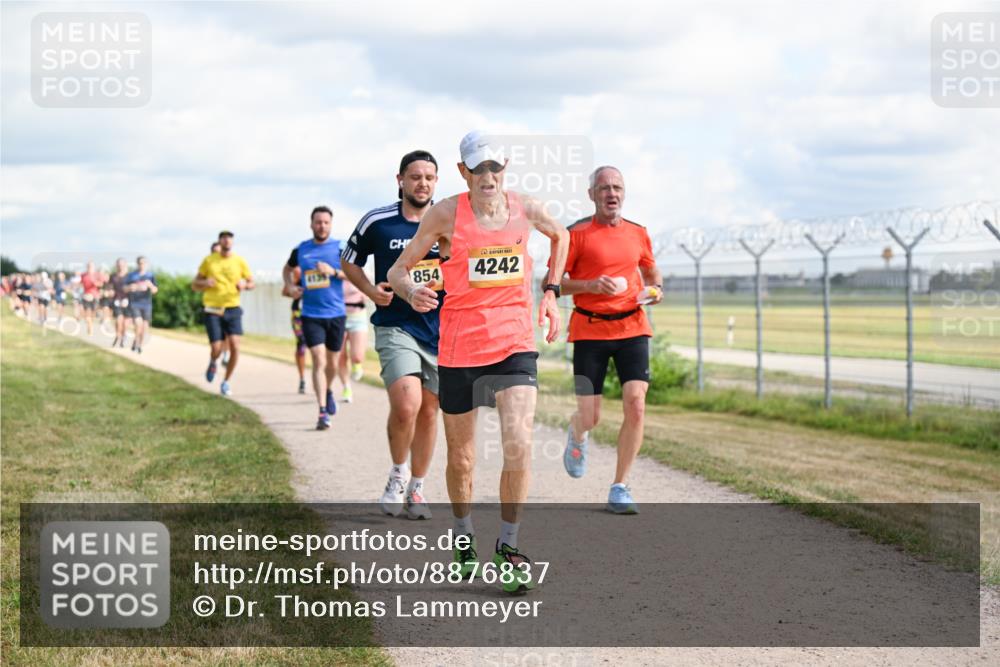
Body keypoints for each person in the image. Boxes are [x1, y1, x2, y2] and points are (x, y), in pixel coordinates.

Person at [388, 131, 568, 593]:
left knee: (519, 441)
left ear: (505, 167)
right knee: (463, 459)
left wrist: (550, 293)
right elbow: (397, 270)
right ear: (463, 171)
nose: (488, 176)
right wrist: (411, 291)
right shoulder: (446, 213)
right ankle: (464, 537)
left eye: (495, 167)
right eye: (478, 168)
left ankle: (508, 548)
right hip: (460, 347)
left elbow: (561, 235)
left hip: (514, 341)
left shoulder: (525, 207)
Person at [343, 149, 443, 519]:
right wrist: (371, 292)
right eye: (415, 176)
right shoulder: (378, 222)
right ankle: (398, 473)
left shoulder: (448, 221)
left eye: (430, 177)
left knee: (430, 412)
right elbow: (349, 260)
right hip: (396, 326)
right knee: (407, 406)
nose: (423, 183)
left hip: (441, 330)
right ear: (400, 180)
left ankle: (417, 488)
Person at [558, 166, 663, 514]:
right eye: (604, 188)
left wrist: (655, 289)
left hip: (633, 327)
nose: (611, 193)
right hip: (589, 330)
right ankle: (578, 432)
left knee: (636, 402)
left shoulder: (638, 232)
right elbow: (555, 281)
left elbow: (650, 269)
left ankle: (620, 486)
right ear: (592, 194)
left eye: (617, 187)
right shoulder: (576, 233)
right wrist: (589, 285)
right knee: (591, 416)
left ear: (624, 193)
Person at [282, 206, 347, 430]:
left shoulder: (340, 248)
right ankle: (321, 411)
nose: (322, 226)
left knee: (332, 362)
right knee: (318, 359)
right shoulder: (301, 249)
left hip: (337, 313)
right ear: (311, 224)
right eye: (318, 222)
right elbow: (287, 269)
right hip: (311, 314)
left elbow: (355, 273)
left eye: (326, 222)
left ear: (331, 224)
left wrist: (334, 272)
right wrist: (290, 286)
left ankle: (328, 390)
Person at [193, 231, 255, 396]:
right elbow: (195, 284)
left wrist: (245, 285)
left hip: (232, 307)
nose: (227, 240)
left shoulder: (239, 261)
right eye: (224, 238)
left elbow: (251, 283)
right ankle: (213, 360)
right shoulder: (209, 260)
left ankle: (226, 381)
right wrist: (205, 282)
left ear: (232, 242)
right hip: (212, 308)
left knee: (235, 346)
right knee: (217, 348)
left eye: (229, 238)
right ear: (220, 241)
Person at [337, 278, 369, 403]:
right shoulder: (332, 274)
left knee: (357, 356)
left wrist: (366, 294)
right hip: (338, 317)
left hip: (357, 317)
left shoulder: (355, 271)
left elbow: (368, 290)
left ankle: (357, 365)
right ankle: (346, 387)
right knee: (340, 355)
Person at [282, 266, 308, 394]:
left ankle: (320, 377)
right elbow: (284, 292)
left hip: (316, 313)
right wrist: (293, 287)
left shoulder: (317, 272)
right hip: (298, 314)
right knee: (301, 345)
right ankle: (302, 378)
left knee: (318, 347)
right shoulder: (297, 273)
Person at [126, 256, 158, 354]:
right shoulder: (132, 275)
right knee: (138, 324)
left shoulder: (150, 275)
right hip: (135, 303)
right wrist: (131, 287)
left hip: (147, 304)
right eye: (140, 263)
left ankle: (138, 343)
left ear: (147, 264)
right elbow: (125, 288)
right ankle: (137, 343)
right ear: (137, 264)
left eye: (144, 263)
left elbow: (155, 290)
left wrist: (150, 286)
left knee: (144, 328)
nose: (142, 265)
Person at [109, 258, 130, 348]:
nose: (120, 266)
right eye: (118, 264)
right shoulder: (113, 276)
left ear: (125, 265)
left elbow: (133, 288)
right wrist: (110, 291)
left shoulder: (130, 276)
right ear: (116, 265)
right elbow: (110, 287)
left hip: (127, 301)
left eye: (122, 264)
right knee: (118, 320)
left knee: (125, 323)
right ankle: (118, 336)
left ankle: (123, 336)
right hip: (117, 300)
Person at [79, 262, 103, 335]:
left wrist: (95, 283)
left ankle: (92, 323)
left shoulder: (97, 274)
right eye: (88, 266)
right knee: (87, 315)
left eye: (91, 266)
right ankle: (90, 328)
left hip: (95, 296)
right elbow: (81, 284)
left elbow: (101, 284)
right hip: (86, 296)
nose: (89, 267)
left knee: (92, 314)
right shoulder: (83, 275)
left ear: (93, 267)